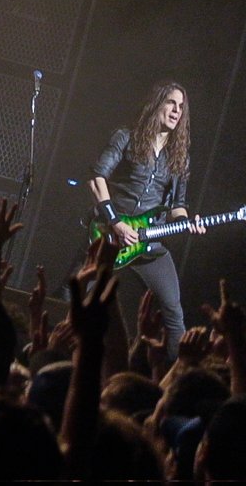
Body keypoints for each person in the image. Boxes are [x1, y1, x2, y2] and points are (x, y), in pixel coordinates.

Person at [89, 79, 202, 358]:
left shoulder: (179, 158)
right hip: (109, 235)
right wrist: (116, 222)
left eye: (181, 107)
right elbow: (97, 178)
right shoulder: (126, 137)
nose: (176, 111)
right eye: (171, 103)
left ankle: (178, 372)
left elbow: (177, 206)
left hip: (150, 242)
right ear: (156, 104)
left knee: (174, 313)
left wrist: (188, 223)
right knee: (78, 298)